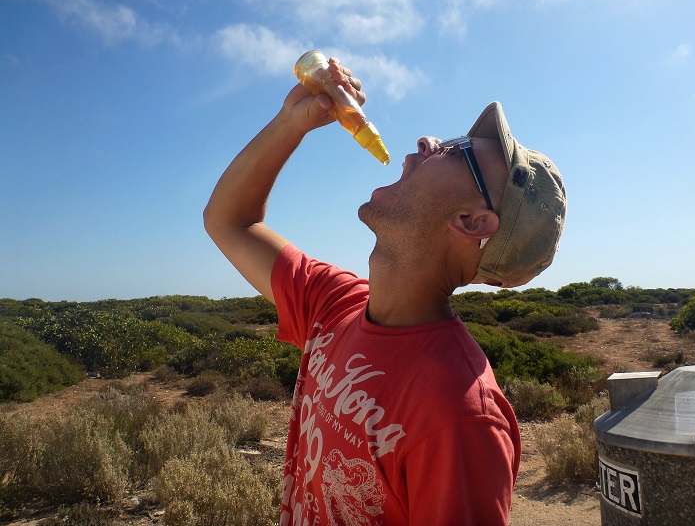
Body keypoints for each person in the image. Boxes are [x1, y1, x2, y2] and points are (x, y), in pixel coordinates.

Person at [204, 57, 567, 525]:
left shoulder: (460, 417)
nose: (426, 141)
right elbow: (229, 221)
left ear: (473, 223)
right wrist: (291, 124)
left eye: (457, 151)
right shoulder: (334, 303)